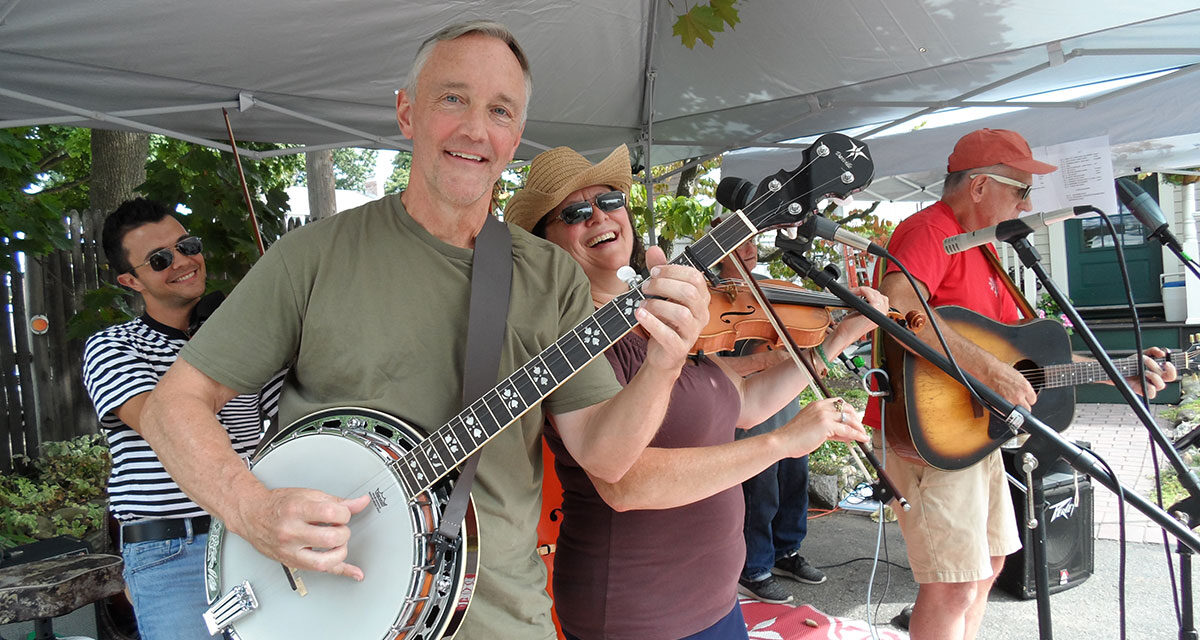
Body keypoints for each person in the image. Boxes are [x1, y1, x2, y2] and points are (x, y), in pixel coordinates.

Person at [138, 21, 712, 640]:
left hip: (501, 620)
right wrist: (249, 509)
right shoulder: (314, 256)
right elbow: (175, 405)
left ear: (515, 137)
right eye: (453, 98)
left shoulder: (551, 275)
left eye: (499, 110)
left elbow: (605, 455)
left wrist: (663, 366)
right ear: (407, 112)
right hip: (327, 612)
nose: (475, 128)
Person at [505, 143, 882, 639]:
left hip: (714, 598)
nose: (599, 216)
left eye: (610, 201)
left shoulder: (664, 309)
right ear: (547, 243)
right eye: (574, 213)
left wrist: (834, 342)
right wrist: (784, 442)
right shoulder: (566, 338)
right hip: (639, 611)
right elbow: (627, 483)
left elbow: (743, 404)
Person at [865, 128, 1177, 640]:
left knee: (986, 569)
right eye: (1020, 189)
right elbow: (898, 309)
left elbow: (1027, 358)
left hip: (975, 433)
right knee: (952, 586)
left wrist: (1119, 369)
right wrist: (987, 371)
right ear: (980, 187)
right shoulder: (928, 231)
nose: (1027, 202)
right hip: (930, 435)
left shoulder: (986, 252)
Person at [81, 198, 281, 640]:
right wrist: (222, 348)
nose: (183, 262)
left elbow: (291, 411)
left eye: (187, 245)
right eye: (160, 259)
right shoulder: (114, 347)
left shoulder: (240, 339)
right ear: (131, 280)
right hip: (172, 551)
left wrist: (278, 334)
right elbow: (168, 420)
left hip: (251, 534)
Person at [710, 238, 834, 604]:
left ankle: (787, 552)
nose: (748, 250)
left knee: (795, 482)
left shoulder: (772, 287)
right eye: (738, 246)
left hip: (787, 407)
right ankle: (755, 568)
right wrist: (767, 354)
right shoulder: (713, 296)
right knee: (759, 494)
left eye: (750, 244)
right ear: (720, 256)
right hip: (750, 413)